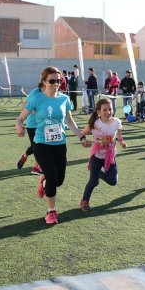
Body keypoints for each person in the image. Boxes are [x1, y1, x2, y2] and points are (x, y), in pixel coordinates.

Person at [15, 66, 87, 225]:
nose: (56, 84)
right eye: (52, 81)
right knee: (53, 174)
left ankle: (44, 182)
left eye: (59, 80)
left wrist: (81, 137)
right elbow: (20, 118)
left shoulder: (64, 99)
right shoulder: (37, 98)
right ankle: (51, 211)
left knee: (58, 180)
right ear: (44, 82)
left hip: (60, 143)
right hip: (41, 143)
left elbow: (69, 121)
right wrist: (19, 125)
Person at [79, 98, 127, 211]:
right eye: (105, 110)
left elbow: (119, 135)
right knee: (93, 181)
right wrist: (84, 141)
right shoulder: (94, 123)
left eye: (110, 109)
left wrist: (121, 142)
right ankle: (84, 201)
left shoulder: (117, 122)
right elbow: (81, 134)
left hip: (110, 156)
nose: (108, 112)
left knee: (113, 181)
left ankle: (98, 174)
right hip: (96, 156)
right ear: (99, 111)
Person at [17, 83, 44, 175]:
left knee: (39, 146)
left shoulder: (50, 93)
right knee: (36, 146)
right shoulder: (35, 92)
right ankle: (36, 167)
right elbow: (25, 105)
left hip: (43, 124)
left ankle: (26, 157)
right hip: (32, 124)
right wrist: (36, 112)